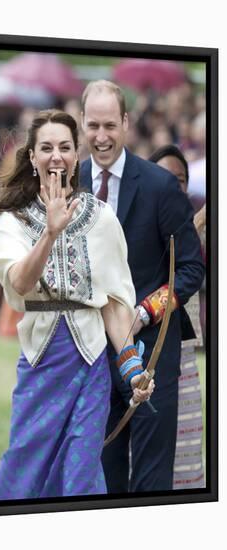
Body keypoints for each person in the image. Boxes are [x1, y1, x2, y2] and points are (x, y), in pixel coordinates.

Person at [0, 109, 153, 500]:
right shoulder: (13, 219)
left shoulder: (102, 217)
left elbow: (113, 306)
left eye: (65, 147)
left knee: (81, 473)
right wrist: (50, 233)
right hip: (41, 361)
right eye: (47, 148)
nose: (56, 156)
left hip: (91, 364)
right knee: (24, 464)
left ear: (77, 154)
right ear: (32, 157)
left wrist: (134, 370)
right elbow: (19, 282)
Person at [79, 80, 205, 493]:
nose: (101, 136)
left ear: (127, 123)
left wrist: (145, 312)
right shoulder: (69, 184)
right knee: (101, 476)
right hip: (88, 355)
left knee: (151, 482)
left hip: (150, 350)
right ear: (82, 124)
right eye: (93, 125)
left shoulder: (160, 186)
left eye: (110, 125)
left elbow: (189, 269)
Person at [149, 144, 205, 489]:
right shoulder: (139, 227)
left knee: (185, 462)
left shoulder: (192, 234)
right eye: (166, 179)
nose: (174, 187)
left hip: (184, 362)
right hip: (143, 356)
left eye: (180, 180)